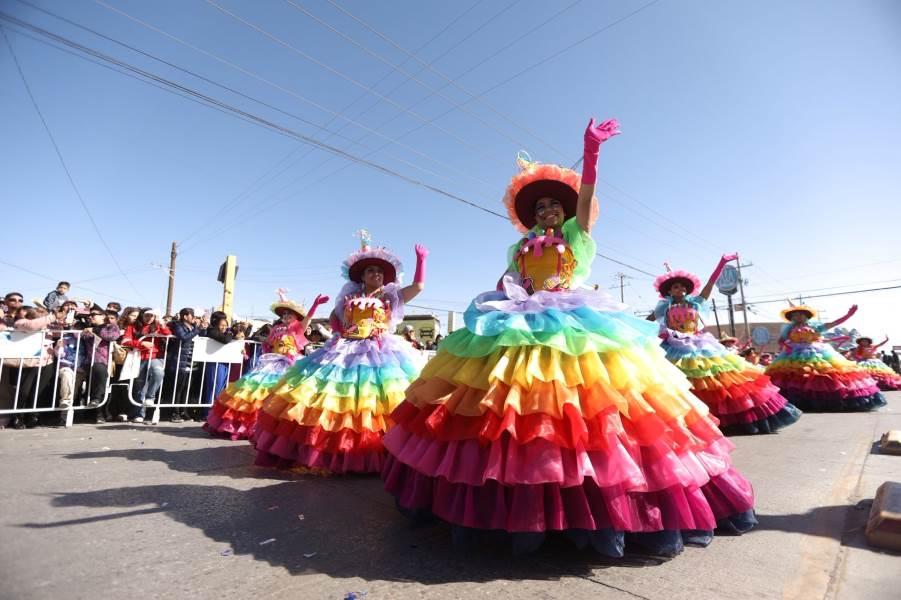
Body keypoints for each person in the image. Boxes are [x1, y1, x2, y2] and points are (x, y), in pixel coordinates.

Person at [381, 119, 757, 557]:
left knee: (591, 407)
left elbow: (587, 198)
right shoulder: (518, 247)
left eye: (552, 207)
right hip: (520, 319)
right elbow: (510, 279)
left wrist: (591, 152)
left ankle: (600, 505)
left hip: (572, 320)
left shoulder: (576, 235)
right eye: (539, 208)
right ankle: (517, 502)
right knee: (513, 410)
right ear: (531, 216)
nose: (546, 212)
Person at [253, 231, 428, 474]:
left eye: (379, 271)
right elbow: (337, 320)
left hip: (380, 350)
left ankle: (384, 451)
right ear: (362, 277)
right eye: (370, 271)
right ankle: (330, 450)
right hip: (346, 348)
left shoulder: (391, 296)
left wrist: (421, 261)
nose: (375, 274)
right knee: (332, 398)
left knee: (377, 400)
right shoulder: (349, 297)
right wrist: (339, 332)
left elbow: (418, 287)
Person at [648, 260, 801, 435]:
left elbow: (710, 284)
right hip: (673, 345)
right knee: (675, 381)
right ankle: (686, 420)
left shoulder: (695, 303)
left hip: (698, 344)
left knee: (714, 381)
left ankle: (725, 419)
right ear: (668, 290)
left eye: (683, 287)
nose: (680, 289)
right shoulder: (664, 308)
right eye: (675, 287)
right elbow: (647, 321)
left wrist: (721, 264)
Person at [206, 290, 328, 440]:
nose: (286, 316)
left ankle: (278, 427)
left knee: (286, 394)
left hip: (291, 363)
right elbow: (268, 343)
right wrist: (267, 349)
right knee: (255, 390)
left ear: (296, 317)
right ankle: (248, 425)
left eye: (289, 314)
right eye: (284, 314)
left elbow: (308, 319)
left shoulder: (297, 328)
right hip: (273, 362)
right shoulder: (276, 329)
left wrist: (315, 305)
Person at [766, 304, 885, 411]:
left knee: (823, 375)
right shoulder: (788, 329)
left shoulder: (816, 327)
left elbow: (834, 323)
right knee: (793, 377)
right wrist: (786, 346)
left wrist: (848, 315)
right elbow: (781, 341)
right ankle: (796, 400)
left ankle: (828, 399)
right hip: (792, 355)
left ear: (806, 316)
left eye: (801, 314)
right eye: (795, 315)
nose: (798, 317)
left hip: (816, 352)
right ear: (791, 318)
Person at [122, 308, 171, 423]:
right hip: (138, 358)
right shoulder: (133, 326)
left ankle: (150, 397)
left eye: (152, 316)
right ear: (142, 316)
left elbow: (168, 335)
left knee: (159, 373)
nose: (149, 318)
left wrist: (162, 325)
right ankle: (139, 414)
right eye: (147, 316)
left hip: (155, 357)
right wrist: (141, 343)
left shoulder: (158, 326)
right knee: (139, 387)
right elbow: (124, 342)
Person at [198, 311, 235, 420]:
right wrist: (231, 334)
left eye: (225, 325)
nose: (224, 327)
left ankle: (217, 411)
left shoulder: (224, 332)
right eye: (222, 325)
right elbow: (225, 340)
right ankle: (208, 412)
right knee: (213, 387)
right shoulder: (212, 331)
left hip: (224, 362)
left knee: (222, 388)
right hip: (214, 363)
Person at [166, 308, 201, 422]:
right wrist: (197, 329)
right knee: (178, 388)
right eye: (192, 315)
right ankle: (174, 412)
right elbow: (184, 337)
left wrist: (199, 329)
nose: (194, 318)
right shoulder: (178, 325)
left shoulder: (193, 327)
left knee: (186, 389)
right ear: (185, 316)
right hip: (180, 362)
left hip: (191, 362)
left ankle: (183, 411)